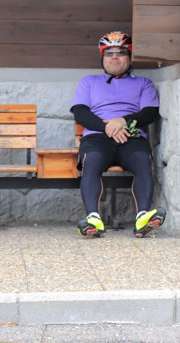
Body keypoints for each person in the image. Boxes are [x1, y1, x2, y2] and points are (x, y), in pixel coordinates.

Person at [70, 31, 165, 238]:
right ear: (102, 57)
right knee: (92, 160)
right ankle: (93, 218)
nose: (114, 57)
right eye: (109, 53)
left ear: (129, 57)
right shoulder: (89, 82)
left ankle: (142, 218)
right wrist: (108, 128)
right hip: (97, 136)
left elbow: (149, 113)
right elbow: (80, 112)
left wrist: (123, 122)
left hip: (130, 136)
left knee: (142, 160)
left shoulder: (144, 84)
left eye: (121, 52)